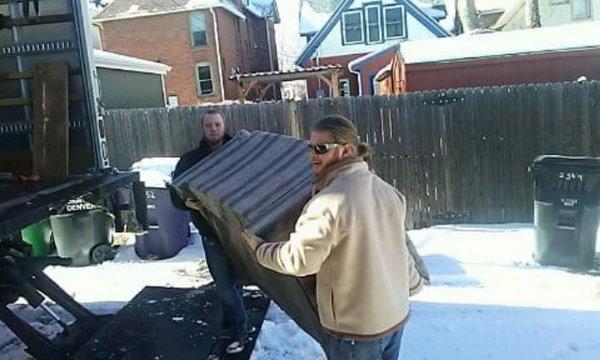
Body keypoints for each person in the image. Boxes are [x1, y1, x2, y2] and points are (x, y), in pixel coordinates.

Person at [242, 115, 423, 359]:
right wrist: (412, 283)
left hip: (355, 334)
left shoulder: (328, 202)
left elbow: (301, 261)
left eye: (321, 148)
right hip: (395, 320)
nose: (312, 155)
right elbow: (399, 248)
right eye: (310, 147)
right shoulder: (387, 191)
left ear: (346, 150)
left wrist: (259, 250)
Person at [170, 110, 250, 354]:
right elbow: (175, 195)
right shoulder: (190, 160)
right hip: (212, 233)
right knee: (224, 283)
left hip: (240, 230)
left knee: (236, 280)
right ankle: (239, 331)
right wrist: (188, 202)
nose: (213, 128)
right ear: (203, 128)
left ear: (224, 125)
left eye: (217, 124)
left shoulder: (241, 153)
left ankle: (232, 321)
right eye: (208, 125)